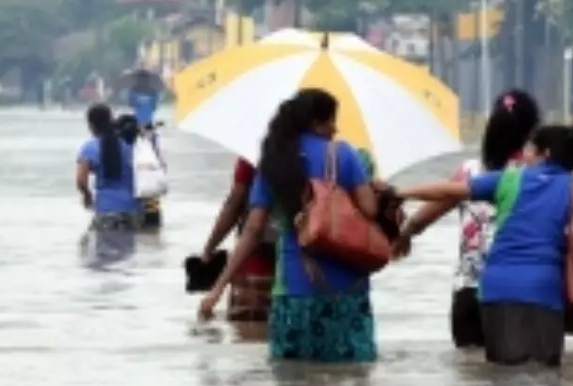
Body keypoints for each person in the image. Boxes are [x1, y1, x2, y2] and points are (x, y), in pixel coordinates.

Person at [397, 124, 573, 367]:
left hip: (497, 290)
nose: (526, 155)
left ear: (545, 154)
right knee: (544, 375)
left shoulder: (510, 180)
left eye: (532, 150)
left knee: (501, 375)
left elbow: (448, 191)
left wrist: (401, 193)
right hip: (544, 291)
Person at [197, 88, 381, 363]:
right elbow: (370, 210)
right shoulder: (345, 155)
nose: (335, 128)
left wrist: (218, 288)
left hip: (292, 291)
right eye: (331, 120)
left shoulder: (273, 163)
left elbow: (252, 230)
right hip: (346, 291)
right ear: (316, 123)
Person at [392, 89, 541, 348]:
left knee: (472, 379)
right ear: (531, 131)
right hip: (518, 289)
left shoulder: (468, 171)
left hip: (468, 291)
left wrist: (404, 234)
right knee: (521, 376)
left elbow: (424, 217)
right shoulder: (537, 173)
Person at [198, 154, 278, 322]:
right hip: (303, 266)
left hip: (255, 259)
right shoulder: (328, 156)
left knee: (249, 331)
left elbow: (235, 203)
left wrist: (209, 248)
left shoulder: (256, 153)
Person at [76, 103, 140, 231]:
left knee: (99, 247)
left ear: (90, 125)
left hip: (106, 208)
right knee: (127, 248)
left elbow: (81, 181)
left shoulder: (89, 148)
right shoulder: (127, 145)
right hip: (132, 208)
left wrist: (87, 195)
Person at [116, 112, 166, 231]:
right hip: (152, 207)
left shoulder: (118, 149)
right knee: (151, 239)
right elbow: (162, 170)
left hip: (127, 209)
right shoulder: (147, 147)